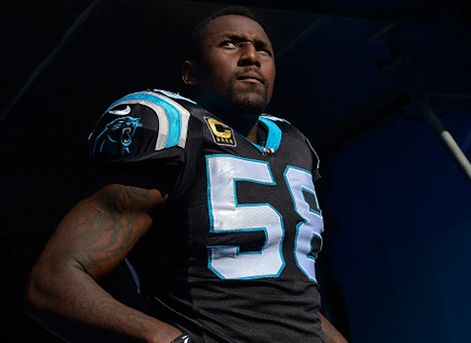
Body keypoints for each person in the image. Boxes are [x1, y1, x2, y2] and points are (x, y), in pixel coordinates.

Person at [25, 6, 347, 343]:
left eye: (262, 48)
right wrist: (171, 340)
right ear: (190, 73)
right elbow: (51, 282)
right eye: (231, 44)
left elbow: (294, 305)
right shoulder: (178, 132)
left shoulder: (294, 149)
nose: (251, 56)